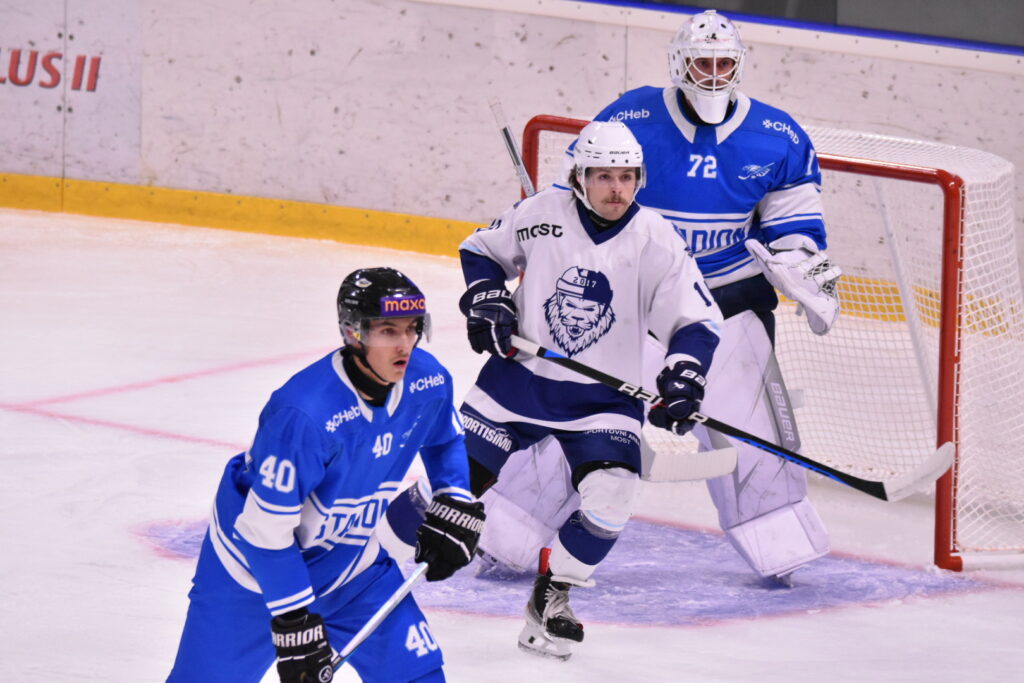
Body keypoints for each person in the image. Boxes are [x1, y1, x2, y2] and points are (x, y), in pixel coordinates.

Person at [475, 9, 842, 589]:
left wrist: (799, 266)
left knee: (757, 439)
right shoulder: (631, 118)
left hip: (730, 309)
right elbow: (573, 198)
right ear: (679, 62)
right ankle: (507, 532)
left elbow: (795, 225)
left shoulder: (779, 136)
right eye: (702, 62)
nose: (713, 74)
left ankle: (780, 544)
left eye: (724, 63)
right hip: (629, 311)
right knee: (575, 420)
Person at [457, 120, 723, 660]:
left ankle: (554, 593)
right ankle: (364, 561)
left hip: (602, 400)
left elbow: (695, 321)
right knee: (453, 485)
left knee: (615, 493)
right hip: (519, 381)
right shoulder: (540, 215)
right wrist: (487, 298)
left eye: (627, 177)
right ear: (579, 177)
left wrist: (683, 375)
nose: (617, 189)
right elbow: (481, 250)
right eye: (604, 176)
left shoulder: (656, 238)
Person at [167, 267, 485, 683]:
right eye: (388, 331)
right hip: (252, 578)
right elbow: (264, 532)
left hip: (352, 569)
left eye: (412, 329)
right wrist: (293, 617)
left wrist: (454, 496)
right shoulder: (304, 415)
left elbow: (444, 439)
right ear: (354, 332)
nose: (404, 344)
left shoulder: (428, 381)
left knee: (420, 677)